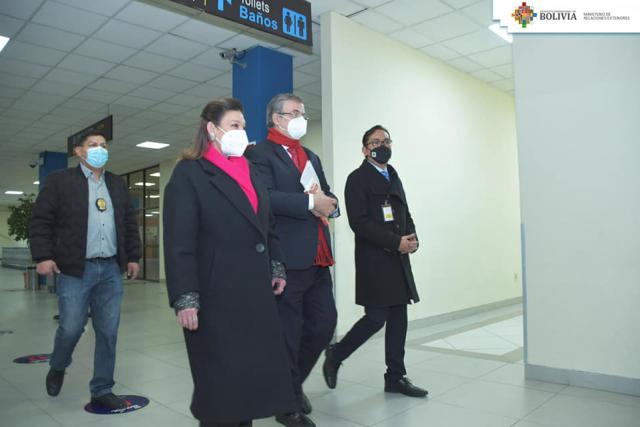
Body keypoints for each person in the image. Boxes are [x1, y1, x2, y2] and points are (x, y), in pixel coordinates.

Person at [163, 98, 296, 427]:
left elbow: (267, 225)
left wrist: (276, 265)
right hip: (215, 297)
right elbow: (179, 241)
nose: (242, 132)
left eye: (243, 126)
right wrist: (185, 296)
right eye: (234, 125)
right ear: (212, 129)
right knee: (220, 389)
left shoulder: (249, 170)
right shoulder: (190, 173)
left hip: (255, 295)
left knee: (247, 386)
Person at [30, 131, 141, 409]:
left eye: (103, 145)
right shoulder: (60, 181)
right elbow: (41, 220)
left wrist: (133, 257)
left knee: (108, 332)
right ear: (78, 152)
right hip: (75, 269)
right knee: (71, 328)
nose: (99, 149)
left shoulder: (116, 183)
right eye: (92, 145)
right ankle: (58, 365)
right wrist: (43, 256)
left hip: (111, 269)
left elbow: (128, 222)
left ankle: (102, 389)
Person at [246, 93, 338, 427]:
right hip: (286, 258)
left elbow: (326, 193)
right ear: (276, 118)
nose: (302, 118)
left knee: (324, 324)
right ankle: (286, 404)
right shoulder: (259, 154)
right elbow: (264, 198)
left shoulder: (310, 155)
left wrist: (331, 204)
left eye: (303, 112)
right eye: (295, 112)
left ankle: (291, 385)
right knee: (289, 334)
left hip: (318, 257)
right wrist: (310, 203)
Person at [322, 125, 428, 398]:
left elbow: (404, 210)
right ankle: (336, 354)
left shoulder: (393, 174)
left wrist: (412, 237)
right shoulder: (357, 179)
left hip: (399, 258)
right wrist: (395, 242)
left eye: (386, 141)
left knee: (399, 318)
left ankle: (395, 377)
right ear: (365, 149)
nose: (382, 145)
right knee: (376, 317)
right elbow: (359, 223)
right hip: (376, 260)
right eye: (376, 141)